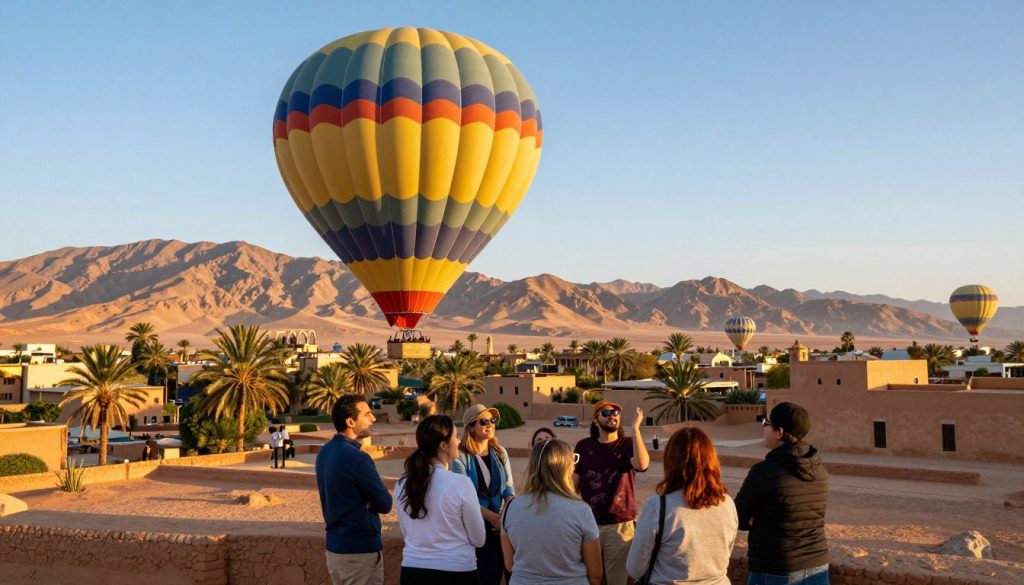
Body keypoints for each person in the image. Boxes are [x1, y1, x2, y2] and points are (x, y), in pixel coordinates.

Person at [626, 427, 738, 585]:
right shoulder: (727, 503)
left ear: (672, 461)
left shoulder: (659, 506)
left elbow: (634, 568)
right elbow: (725, 553)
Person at [735, 402, 829, 585]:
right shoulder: (819, 470)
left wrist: (758, 519)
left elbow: (738, 516)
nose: (763, 428)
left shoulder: (764, 472)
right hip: (818, 568)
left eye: (766, 423)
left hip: (775, 569)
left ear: (779, 432)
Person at [397, 415, 486, 585]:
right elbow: (478, 539)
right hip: (455, 572)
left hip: (412, 570)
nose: (459, 441)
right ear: (443, 445)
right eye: (456, 436)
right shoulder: (461, 483)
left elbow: (407, 532)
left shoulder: (402, 483)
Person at [501, 439, 602, 585]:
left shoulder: (511, 508)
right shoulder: (581, 511)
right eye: (573, 460)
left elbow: (510, 564)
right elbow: (596, 575)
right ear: (565, 467)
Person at [315, 394, 392, 585]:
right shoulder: (357, 458)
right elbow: (385, 503)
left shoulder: (325, 452)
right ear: (350, 421)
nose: (373, 418)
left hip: (335, 550)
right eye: (367, 414)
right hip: (359, 553)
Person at [574, 401, 650, 585]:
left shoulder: (627, 444)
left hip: (620, 527)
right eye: (606, 412)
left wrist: (636, 430)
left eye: (615, 412)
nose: (612, 415)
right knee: (592, 581)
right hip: (589, 526)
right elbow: (572, 487)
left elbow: (642, 464)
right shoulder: (583, 447)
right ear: (595, 420)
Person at [451, 404, 515, 585]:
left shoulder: (500, 453)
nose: (490, 424)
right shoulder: (461, 456)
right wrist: (492, 517)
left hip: (501, 527)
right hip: (475, 528)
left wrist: (506, 511)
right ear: (470, 427)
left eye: (492, 420)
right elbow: (463, 496)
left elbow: (508, 487)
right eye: (484, 421)